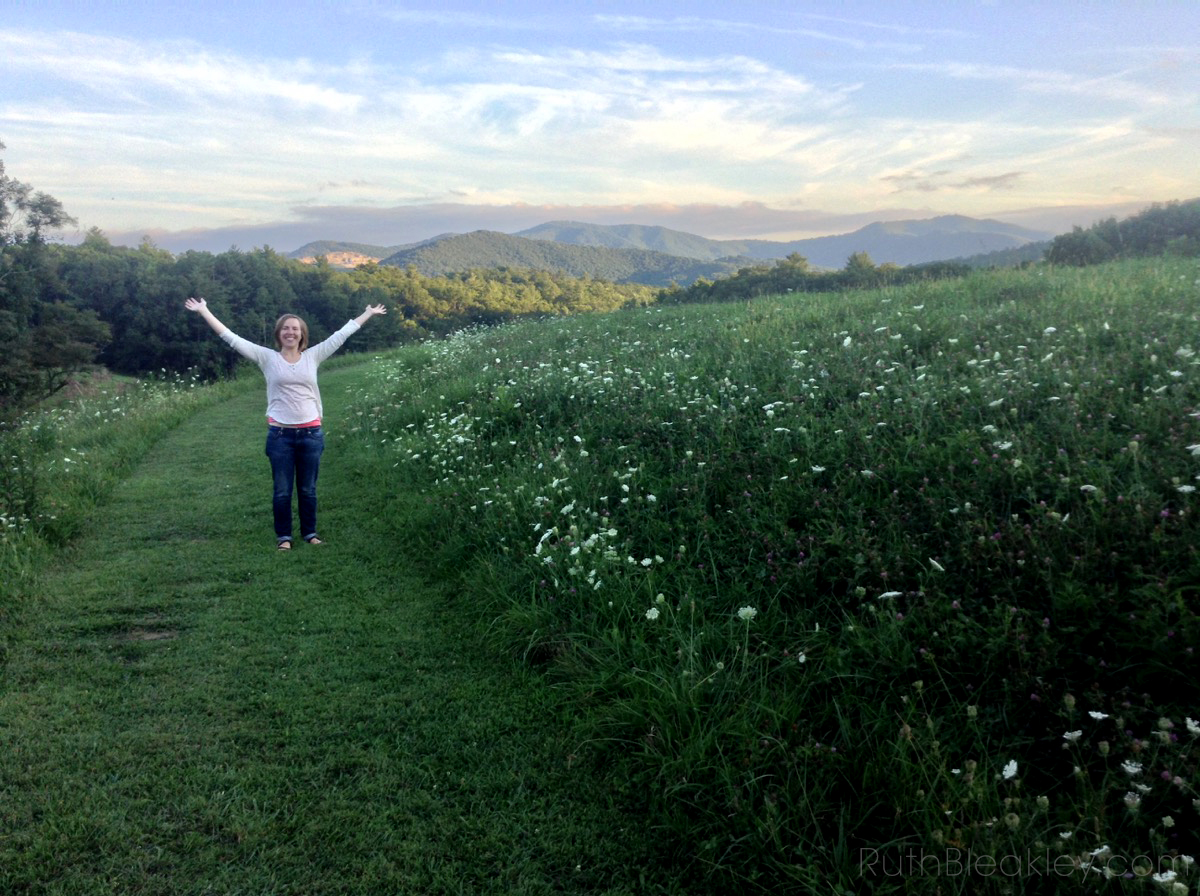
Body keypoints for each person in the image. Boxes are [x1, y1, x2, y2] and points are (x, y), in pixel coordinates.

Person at [185, 297, 387, 550]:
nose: (290, 332)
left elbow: (341, 335)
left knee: (308, 490)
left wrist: (366, 313)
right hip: (280, 435)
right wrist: (205, 310)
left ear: (302, 334)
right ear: (279, 334)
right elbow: (230, 337)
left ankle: (310, 533)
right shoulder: (266, 357)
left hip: (311, 434)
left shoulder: (313, 356)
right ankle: (284, 537)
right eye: (285, 328)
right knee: (282, 491)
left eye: (295, 329)